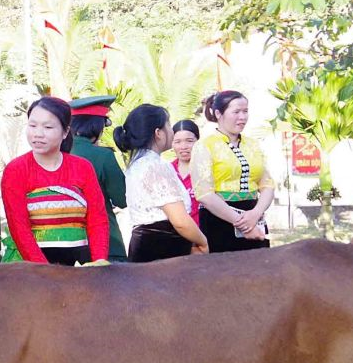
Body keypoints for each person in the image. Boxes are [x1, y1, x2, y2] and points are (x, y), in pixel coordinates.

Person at [0, 96, 109, 265]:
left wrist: (98, 263)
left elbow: (98, 220)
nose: (38, 133)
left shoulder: (83, 168)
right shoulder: (16, 170)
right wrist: (46, 272)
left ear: (65, 132)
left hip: (81, 267)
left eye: (48, 127)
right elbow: (19, 229)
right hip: (33, 270)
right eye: (32, 125)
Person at [114, 105, 209, 262]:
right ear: (158, 133)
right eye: (168, 125)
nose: (172, 131)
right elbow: (180, 221)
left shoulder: (138, 163)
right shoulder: (155, 166)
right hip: (163, 250)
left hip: (147, 246)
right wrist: (203, 242)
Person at [191, 90, 274, 253]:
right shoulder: (205, 146)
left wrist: (255, 213)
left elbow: (268, 185)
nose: (242, 117)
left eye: (245, 111)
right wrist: (243, 224)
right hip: (219, 219)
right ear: (218, 114)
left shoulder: (253, 145)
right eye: (236, 112)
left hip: (254, 216)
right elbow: (204, 194)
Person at [68, 96, 128, 262]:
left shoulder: (56, 154)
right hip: (106, 244)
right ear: (97, 127)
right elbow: (122, 199)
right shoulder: (103, 156)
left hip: (66, 243)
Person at [170, 119, 201, 223]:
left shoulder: (207, 169)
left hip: (205, 229)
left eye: (189, 141)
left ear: (198, 141)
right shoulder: (167, 171)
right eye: (177, 142)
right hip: (175, 230)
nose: (183, 147)